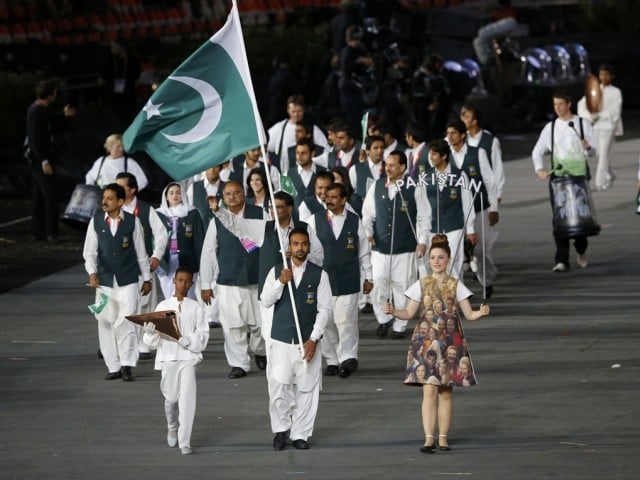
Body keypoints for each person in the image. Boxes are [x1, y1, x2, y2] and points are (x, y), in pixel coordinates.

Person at [382, 234, 489, 453]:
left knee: (446, 392)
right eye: (433, 257)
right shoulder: (421, 284)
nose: (437, 261)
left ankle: (443, 437)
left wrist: (481, 312)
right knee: (428, 390)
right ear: (428, 260)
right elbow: (409, 312)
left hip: (451, 342)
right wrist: (393, 311)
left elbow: (468, 314)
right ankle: (428, 438)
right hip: (426, 342)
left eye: (441, 257)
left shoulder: (456, 285)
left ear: (449, 259)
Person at [260, 228, 332, 450]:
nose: (300, 248)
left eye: (304, 244)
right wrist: (280, 282)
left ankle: (300, 433)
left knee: (307, 389)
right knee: (279, 388)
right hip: (281, 340)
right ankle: (281, 430)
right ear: (288, 247)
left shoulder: (320, 275)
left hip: (307, 342)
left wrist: (313, 339)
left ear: (309, 246)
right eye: (296, 244)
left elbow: (325, 310)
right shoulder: (277, 271)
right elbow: (265, 300)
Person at [83, 183, 152, 381]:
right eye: (104, 197)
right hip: (104, 282)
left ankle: (127, 364)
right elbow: (90, 252)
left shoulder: (132, 221)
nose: (104, 201)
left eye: (110, 198)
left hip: (128, 279)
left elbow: (141, 253)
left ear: (120, 202)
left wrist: (146, 278)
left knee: (127, 320)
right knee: (105, 321)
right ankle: (113, 366)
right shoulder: (96, 221)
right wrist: (92, 272)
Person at [200, 181, 267, 379]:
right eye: (228, 194)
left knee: (260, 324)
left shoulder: (260, 213)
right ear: (222, 197)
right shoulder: (216, 221)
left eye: (236, 193)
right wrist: (205, 284)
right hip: (229, 281)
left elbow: (272, 241)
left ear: (244, 194)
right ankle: (239, 363)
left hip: (257, 279)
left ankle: (260, 351)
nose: (232, 197)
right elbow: (209, 253)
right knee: (232, 325)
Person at [306, 183, 373, 378]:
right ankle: (332, 360)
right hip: (323, 281)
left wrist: (369, 276)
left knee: (346, 321)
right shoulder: (314, 220)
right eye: (327, 197)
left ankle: (348, 358)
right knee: (326, 322)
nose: (329, 200)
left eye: (334, 197)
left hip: (347, 278)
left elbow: (363, 251)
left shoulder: (354, 220)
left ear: (343, 199)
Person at [362, 150, 430, 339]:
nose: (388, 168)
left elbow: (424, 217)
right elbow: (367, 215)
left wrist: (422, 241)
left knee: (402, 286)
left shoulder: (414, 187)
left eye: (392, 165)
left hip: (405, 247)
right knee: (379, 285)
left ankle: (400, 324)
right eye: (387, 164)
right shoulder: (376, 186)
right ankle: (383, 319)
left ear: (402, 167)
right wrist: (368, 233)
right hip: (380, 248)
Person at [142, 267, 210, 456]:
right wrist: (149, 333)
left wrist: (185, 341)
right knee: (171, 399)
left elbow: (203, 334)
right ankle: (172, 426)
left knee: (187, 400)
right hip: (168, 357)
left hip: (188, 358)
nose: (183, 284)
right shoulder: (163, 306)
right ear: (174, 281)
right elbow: (151, 341)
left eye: (187, 281)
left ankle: (184, 441)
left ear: (191, 283)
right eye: (180, 280)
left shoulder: (196, 307)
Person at [531, 90, 596, 272]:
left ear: (569, 104)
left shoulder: (582, 124)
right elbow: (537, 151)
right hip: (558, 179)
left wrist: (588, 147)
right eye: (555, 104)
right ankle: (561, 259)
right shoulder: (550, 127)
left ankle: (581, 247)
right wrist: (540, 169)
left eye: (561, 103)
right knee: (560, 217)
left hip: (579, 178)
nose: (557, 108)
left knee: (581, 215)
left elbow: (593, 151)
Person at [115, 172, 168, 360]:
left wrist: (156, 256)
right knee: (121, 306)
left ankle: (144, 343)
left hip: (142, 266)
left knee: (146, 304)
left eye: (121, 187)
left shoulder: (145, 209)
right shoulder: (114, 209)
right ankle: (121, 343)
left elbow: (161, 234)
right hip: (120, 267)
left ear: (132, 190)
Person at [446, 119, 499, 297]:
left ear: (462, 135)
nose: (450, 137)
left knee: (480, 249)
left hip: (479, 209)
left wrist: (494, 208)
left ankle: (487, 279)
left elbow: (490, 182)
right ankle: (457, 291)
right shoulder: (446, 157)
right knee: (457, 252)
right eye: (448, 133)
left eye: (454, 133)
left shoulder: (478, 153)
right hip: (456, 213)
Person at [460, 103, 505, 296]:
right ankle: (469, 269)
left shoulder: (489, 142)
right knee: (464, 246)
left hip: (482, 202)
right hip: (461, 205)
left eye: (466, 116)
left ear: (475, 120)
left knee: (484, 248)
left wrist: (495, 203)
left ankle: (488, 276)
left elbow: (496, 173)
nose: (462, 118)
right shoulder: (458, 142)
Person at [25, 79, 75, 243]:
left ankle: (39, 231)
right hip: (40, 160)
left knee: (39, 195)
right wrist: (44, 160)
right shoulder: (36, 112)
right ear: (51, 93)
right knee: (50, 195)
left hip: (38, 159)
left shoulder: (39, 110)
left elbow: (52, 120)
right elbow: (35, 140)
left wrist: (64, 116)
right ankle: (51, 232)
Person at [423, 139, 476, 279]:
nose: (431, 158)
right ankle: (436, 299)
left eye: (434, 154)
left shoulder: (460, 175)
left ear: (444, 156)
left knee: (454, 265)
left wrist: (470, 230)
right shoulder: (425, 177)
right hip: (432, 228)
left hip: (454, 227)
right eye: (430, 154)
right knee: (433, 266)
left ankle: (456, 298)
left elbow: (467, 203)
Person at [577, 64, 624, 191]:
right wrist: (589, 117)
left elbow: (615, 112)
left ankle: (600, 182)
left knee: (603, 154)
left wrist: (599, 115)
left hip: (608, 127)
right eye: (601, 74)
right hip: (595, 126)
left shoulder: (616, 92)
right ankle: (611, 174)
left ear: (611, 76)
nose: (603, 77)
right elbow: (582, 105)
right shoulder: (594, 89)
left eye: (606, 74)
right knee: (598, 153)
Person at [155, 183, 205, 300]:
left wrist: (201, 263)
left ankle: (186, 317)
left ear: (183, 195)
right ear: (166, 196)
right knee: (169, 295)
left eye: (178, 192)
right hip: (166, 260)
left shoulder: (192, 212)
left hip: (188, 259)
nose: (175, 196)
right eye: (171, 193)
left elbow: (199, 240)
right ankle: (174, 317)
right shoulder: (158, 214)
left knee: (187, 294)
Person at [267, 94, 329, 174]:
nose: (296, 115)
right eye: (293, 111)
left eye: (299, 111)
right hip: (287, 173)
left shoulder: (313, 129)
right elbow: (264, 146)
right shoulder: (279, 128)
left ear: (304, 110)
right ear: (288, 110)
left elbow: (326, 151)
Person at [284, 138, 327, 209]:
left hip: (318, 217)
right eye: (297, 153)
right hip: (296, 218)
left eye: (303, 153)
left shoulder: (325, 172)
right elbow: (284, 200)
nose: (299, 156)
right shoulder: (286, 175)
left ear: (312, 153)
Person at [349, 134, 385, 200]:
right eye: (376, 148)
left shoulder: (388, 167)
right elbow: (354, 188)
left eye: (382, 147)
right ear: (368, 151)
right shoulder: (355, 169)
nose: (380, 150)